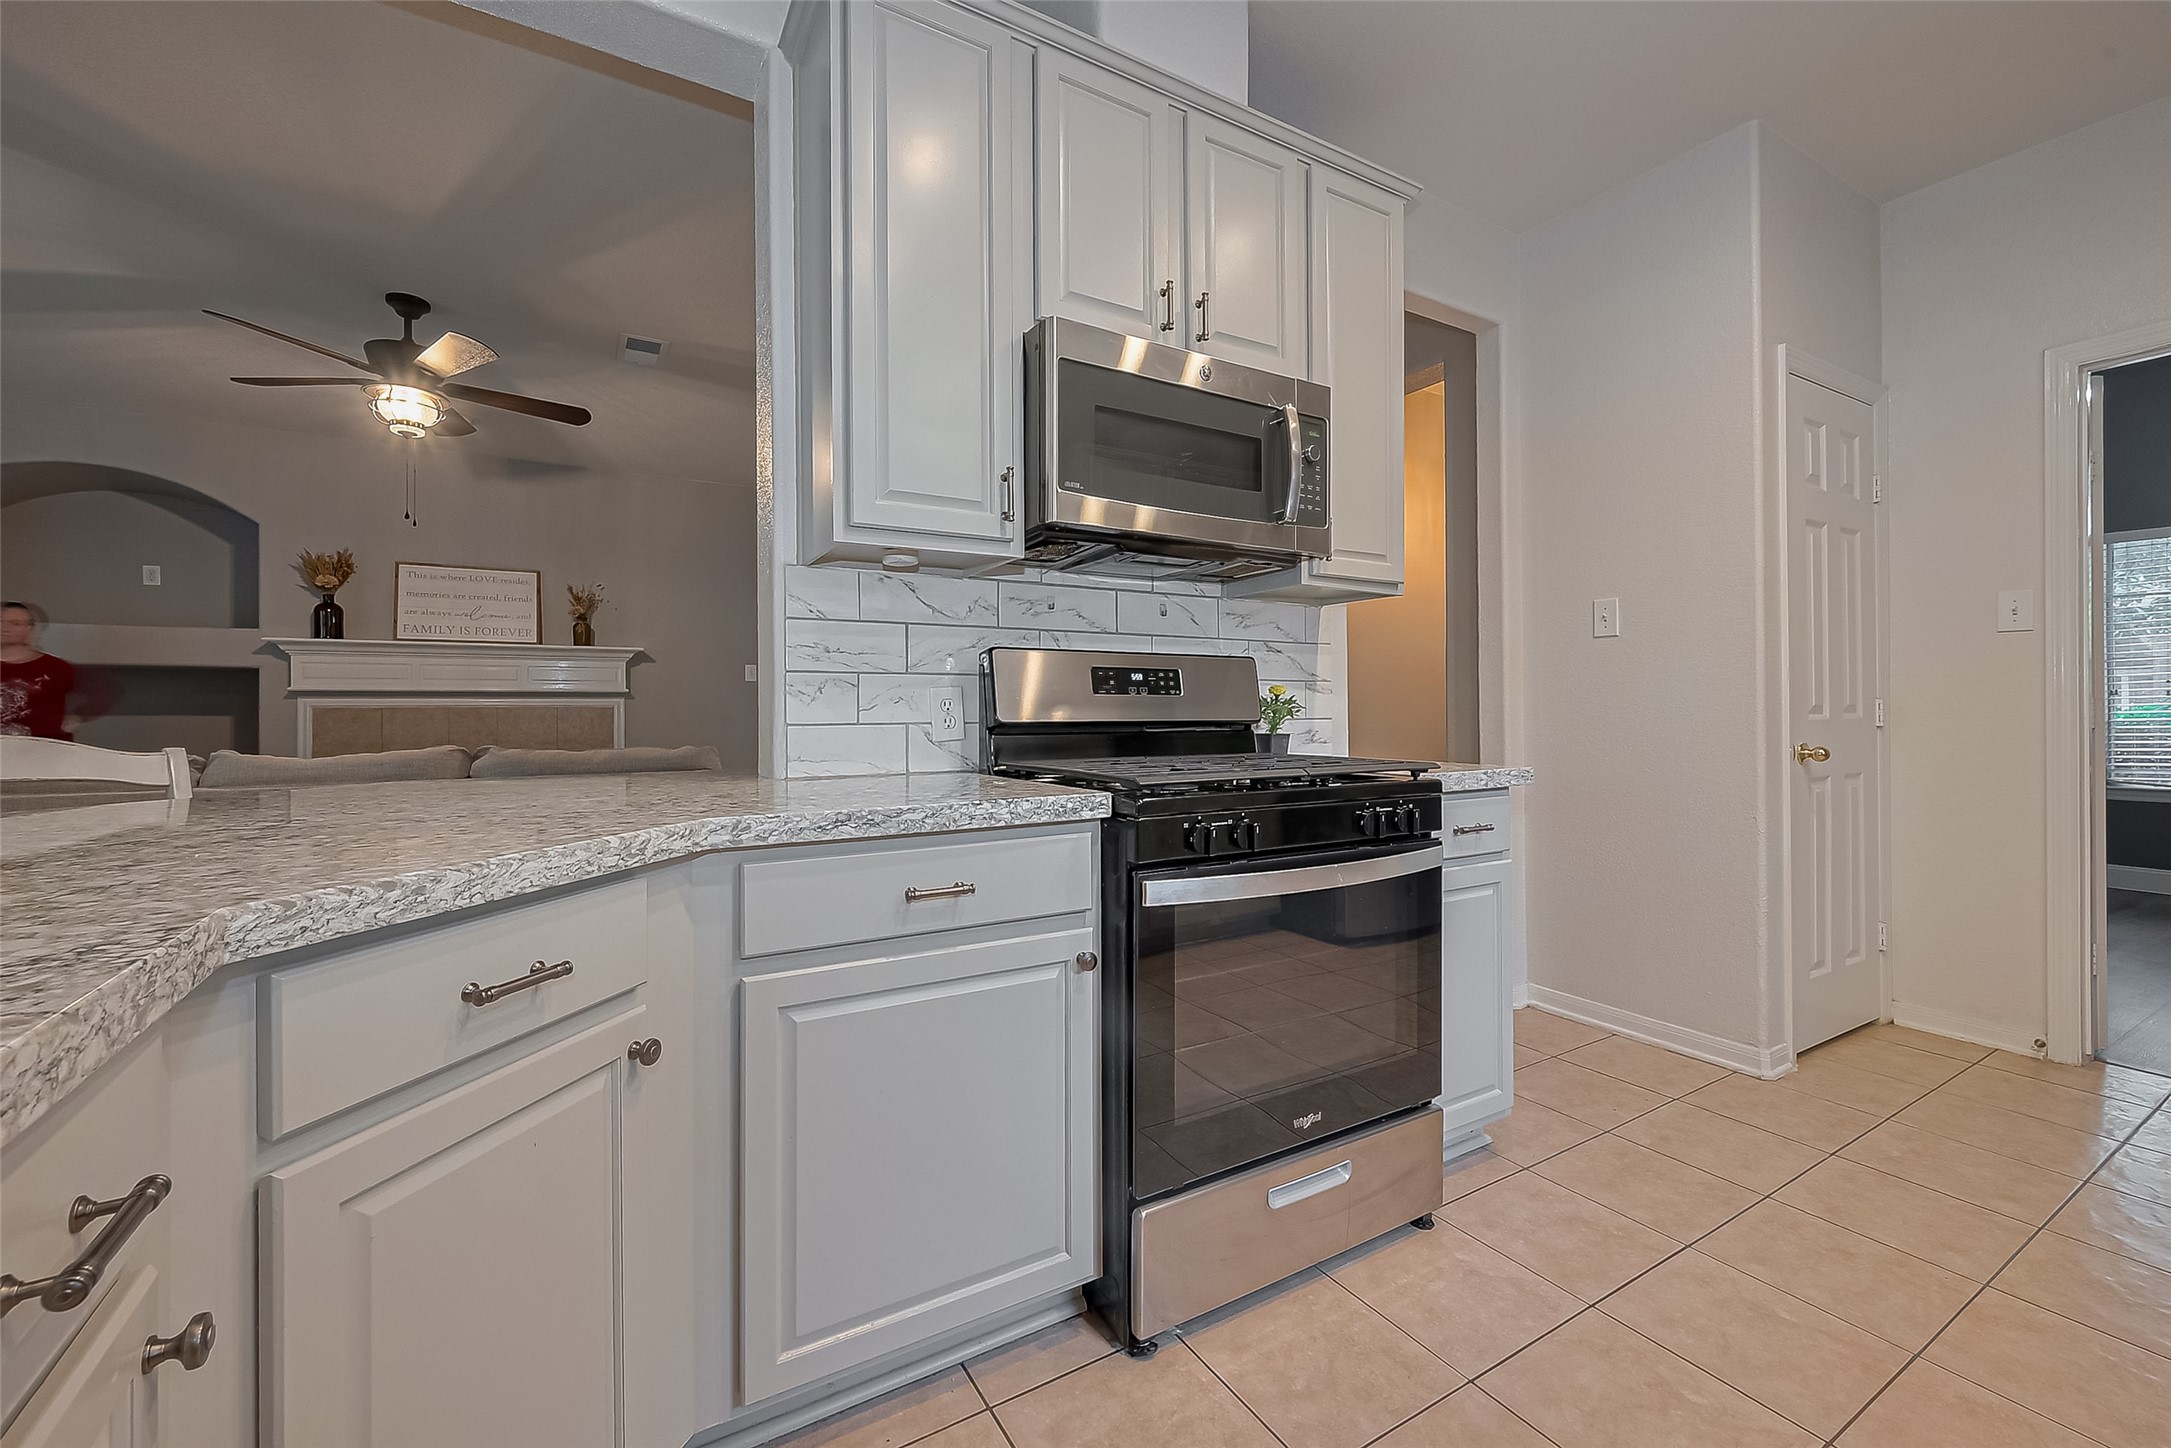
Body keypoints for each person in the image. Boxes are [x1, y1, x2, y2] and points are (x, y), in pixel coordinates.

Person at [1, 600, 83, 739]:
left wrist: (77, 716)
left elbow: (102, 691)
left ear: (29, 628)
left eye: (15, 623)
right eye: (1, 621)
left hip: (44, 753)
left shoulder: (57, 668)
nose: (5, 628)